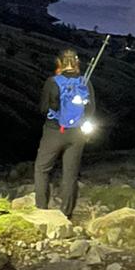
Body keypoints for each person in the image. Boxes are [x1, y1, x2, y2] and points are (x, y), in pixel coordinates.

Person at [34, 47, 95, 220]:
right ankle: (65, 214)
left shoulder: (52, 81)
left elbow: (43, 108)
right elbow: (91, 109)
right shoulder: (85, 82)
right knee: (70, 175)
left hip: (54, 131)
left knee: (42, 169)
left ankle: (41, 210)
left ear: (59, 63)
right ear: (77, 63)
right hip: (76, 134)